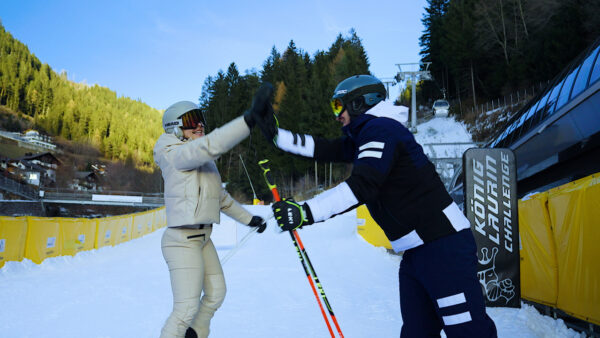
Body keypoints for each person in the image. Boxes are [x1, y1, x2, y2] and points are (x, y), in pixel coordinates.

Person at [262, 75, 497, 337]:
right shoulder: (367, 135)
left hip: (442, 246)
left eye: (338, 106)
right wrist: (277, 136)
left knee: (468, 332)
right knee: (417, 332)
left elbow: (363, 185)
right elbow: (326, 149)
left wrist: (305, 212)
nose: (336, 115)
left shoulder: (383, 130)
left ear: (360, 103)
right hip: (416, 252)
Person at [153, 84, 272, 338]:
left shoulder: (202, 162)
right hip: (181, 241)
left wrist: (250, 219)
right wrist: (247, 120)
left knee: (217, 292)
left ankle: (195, 334)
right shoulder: (175, 154)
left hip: (203, 239)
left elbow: (221, 199)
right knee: (185, 309)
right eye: (191, 121)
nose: (199, 125)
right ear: (175, 127)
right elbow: (207, 146)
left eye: (201, 120)